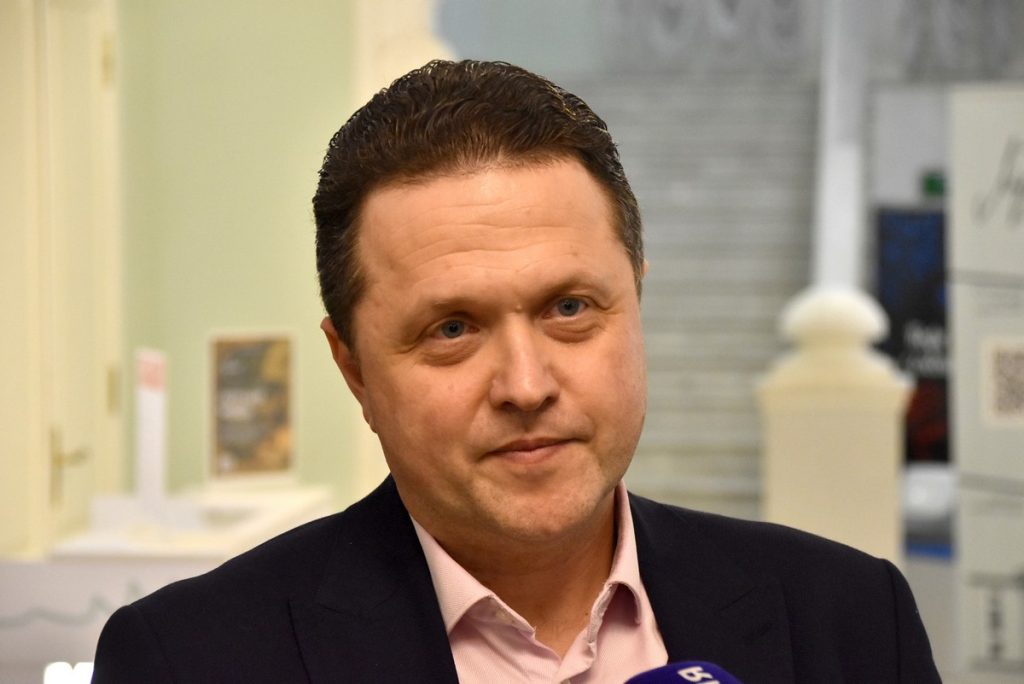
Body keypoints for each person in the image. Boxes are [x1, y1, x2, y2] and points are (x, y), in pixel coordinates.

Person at [93, 59, 940, 683]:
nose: (527, 386)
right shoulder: (188, 661)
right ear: (354, 371)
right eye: (452, 329)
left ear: (636, 304)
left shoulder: (850, 621)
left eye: (570, 308)